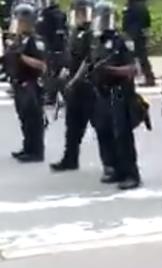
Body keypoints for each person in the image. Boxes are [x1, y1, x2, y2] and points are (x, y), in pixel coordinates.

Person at [90, 0, 141, 189]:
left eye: (104, 19)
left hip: (119, 92)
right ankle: (113, 167)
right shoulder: (97, 41)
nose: (101, 23)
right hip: (101, 92)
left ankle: (131, 174)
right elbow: (90, 63)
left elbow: (133, 69)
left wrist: (111, 70)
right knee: (103, 130)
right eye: (98, 19)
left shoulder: (122, 40)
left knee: (122, 134)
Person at [49, 0, 95, 172]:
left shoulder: (92, 33)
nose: (79, 16)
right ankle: (70, 159)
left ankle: (113, 164)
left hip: (88, 85)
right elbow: (71, 56)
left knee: (101, 126)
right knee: (72, 125)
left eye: (83, 12)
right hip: (74, 85)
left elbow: (88, 60)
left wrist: (75, 79)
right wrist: (65, 71)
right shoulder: (75, 32)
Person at [5, 2, 46, 163]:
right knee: (24, 119)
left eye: (21, 21)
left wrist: (22, 57)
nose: (18, 24)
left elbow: (41, 64)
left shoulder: (35, 41)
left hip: (31, 84)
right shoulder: (18, 40)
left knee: (33, 119)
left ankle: (36, 151)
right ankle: (27, 147)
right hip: (18, 83)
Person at [35, 0, 66, 106]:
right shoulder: (61, 14)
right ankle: (61, 93)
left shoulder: (46, 14)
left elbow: (40, 30)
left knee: (49, 71)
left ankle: (51, 95)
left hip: (50, 46)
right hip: (61, 46)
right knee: (58, 70)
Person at [122, 0, 154, 87]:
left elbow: (145, 20)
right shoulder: (134, 5)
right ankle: (146, 76)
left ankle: (149, 77)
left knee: (139, 56)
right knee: (138, 56)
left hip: (135, 34)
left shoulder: (136, 5)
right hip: (134, 34)